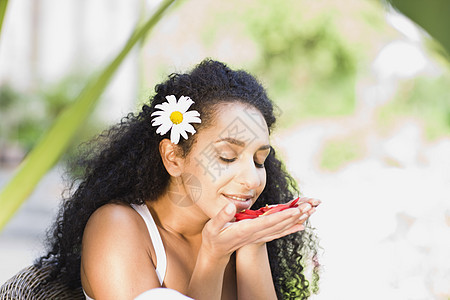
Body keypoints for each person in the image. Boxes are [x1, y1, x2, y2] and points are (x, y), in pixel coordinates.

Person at [37, 59, 321, 299]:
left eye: (259, 161)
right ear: (174, 157)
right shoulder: (118, 227)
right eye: (227, 156)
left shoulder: (237, 235)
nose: (252, 179)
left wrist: (253, 242)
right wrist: (213, 257)